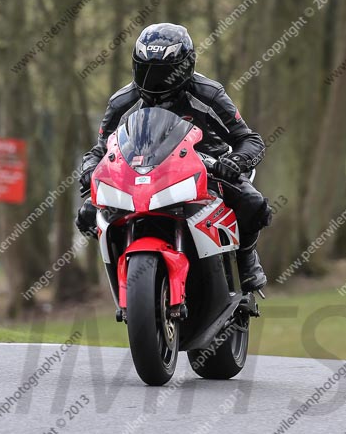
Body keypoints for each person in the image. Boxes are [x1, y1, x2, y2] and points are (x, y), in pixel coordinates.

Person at [76, 23, 271, 290]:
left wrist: (234, 162)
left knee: (252, 201)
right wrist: (89, 168)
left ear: (185, 66)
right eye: (147, 71)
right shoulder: (121, 102)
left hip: (206, 167)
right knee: (88, 213)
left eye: (164, 72)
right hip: (141, 172)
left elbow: (249, 139)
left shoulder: (209, 93)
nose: (155, 81)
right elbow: (100, 149)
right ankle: (121, 271)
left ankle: (247, 258)